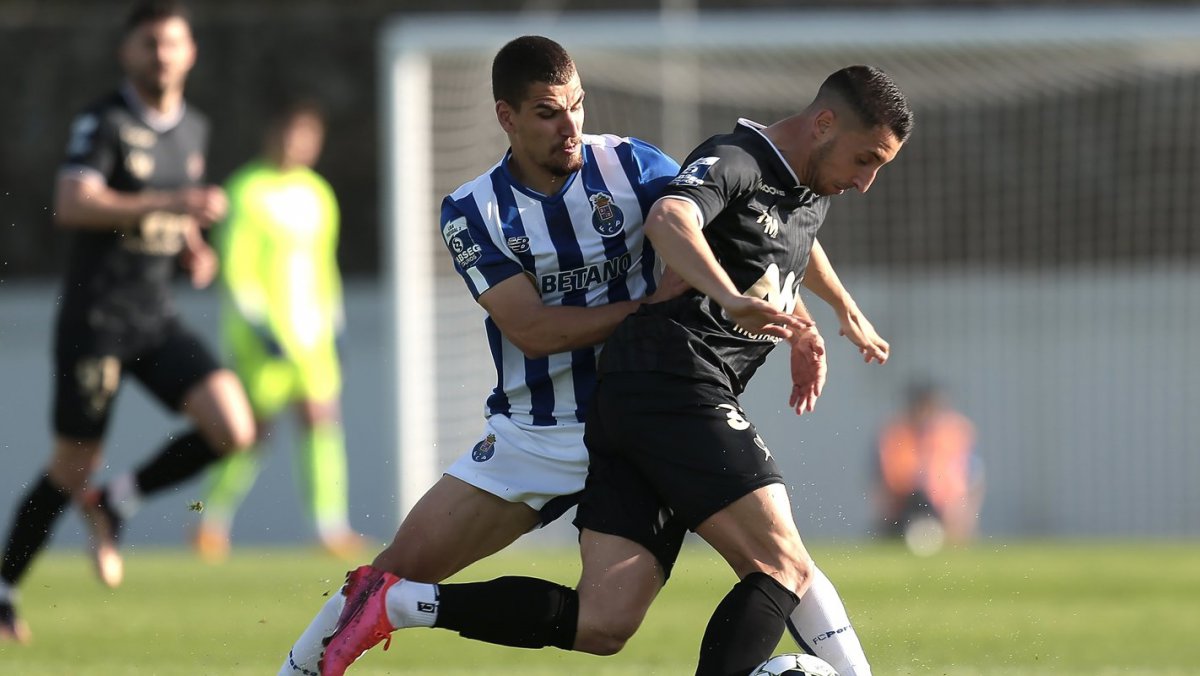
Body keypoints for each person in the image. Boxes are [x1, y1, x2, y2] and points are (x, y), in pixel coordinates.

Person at [284, 40, 890, 676]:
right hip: (548, 430)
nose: (570, 125)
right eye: (548, 112)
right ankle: (298, 667)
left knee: (626, 618)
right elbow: (533, 330)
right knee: (389, 575)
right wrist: (655, 306)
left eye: (576, 105)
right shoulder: (474, 210)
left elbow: (757, 221)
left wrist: (827, 310)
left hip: (650, 407)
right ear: (506, 117)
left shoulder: (632, 165)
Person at [0, 0, 255, 644]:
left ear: (190, 51)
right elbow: (73, 203)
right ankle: (3, 589)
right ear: (127, 53)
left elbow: (170, 217)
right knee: (72, 464)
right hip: (97, 318)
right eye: (149, 44)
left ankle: (118, 502)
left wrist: (192, 247)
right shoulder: (105, 120)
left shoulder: (193, 127)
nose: (161, 55)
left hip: (156, 318)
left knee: (232, 424)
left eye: (172, 44)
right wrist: (177, 203)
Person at [192, 100, 365, 563]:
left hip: (313, 336)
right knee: (249, 431)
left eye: (308, 135)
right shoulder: (247, 190)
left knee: (322, 420)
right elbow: (237, 267)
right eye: (290, 132)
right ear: (272, 133)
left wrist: (337, 323)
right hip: (264, 336)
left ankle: (330, 526)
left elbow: (325, 266)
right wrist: (257, 325)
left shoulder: (318, 193)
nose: (298, 144)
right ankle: (210, 521)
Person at [873, 380, 983, 551]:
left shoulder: (954, 432)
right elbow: (883, 477)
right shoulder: (896, 433)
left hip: (945, 506)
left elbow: (972, 474)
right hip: (905, 503)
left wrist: (964, 513)